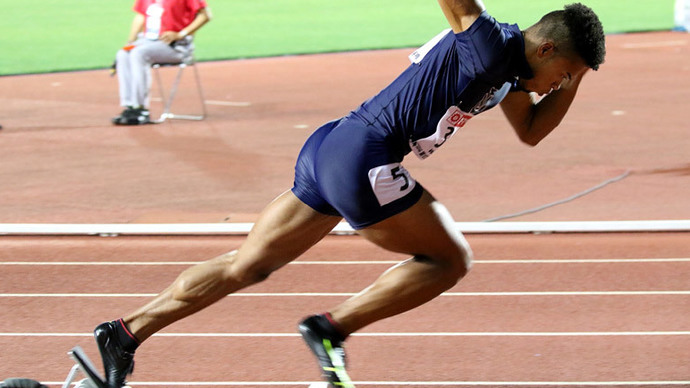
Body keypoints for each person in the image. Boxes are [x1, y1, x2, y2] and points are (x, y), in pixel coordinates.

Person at [93, 1, 605, 387]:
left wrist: (576, 80)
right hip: (366, 157)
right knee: (448, 261)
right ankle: (331, 329)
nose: (555, 86)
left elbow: (533, 131)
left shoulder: (509, 73)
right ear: (545, 49)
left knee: (246, 266)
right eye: (562, 73)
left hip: (333, 147)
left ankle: (126, 331)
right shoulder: (486, 39)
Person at [111, 0, 211, 125]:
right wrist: (130, 41)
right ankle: (129, 106)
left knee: (138, 54)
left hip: (175, 46)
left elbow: (205, 15)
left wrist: (181, 34)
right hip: (148, 41)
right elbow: (141, 15)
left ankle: (140, 108)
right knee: (123, 54)